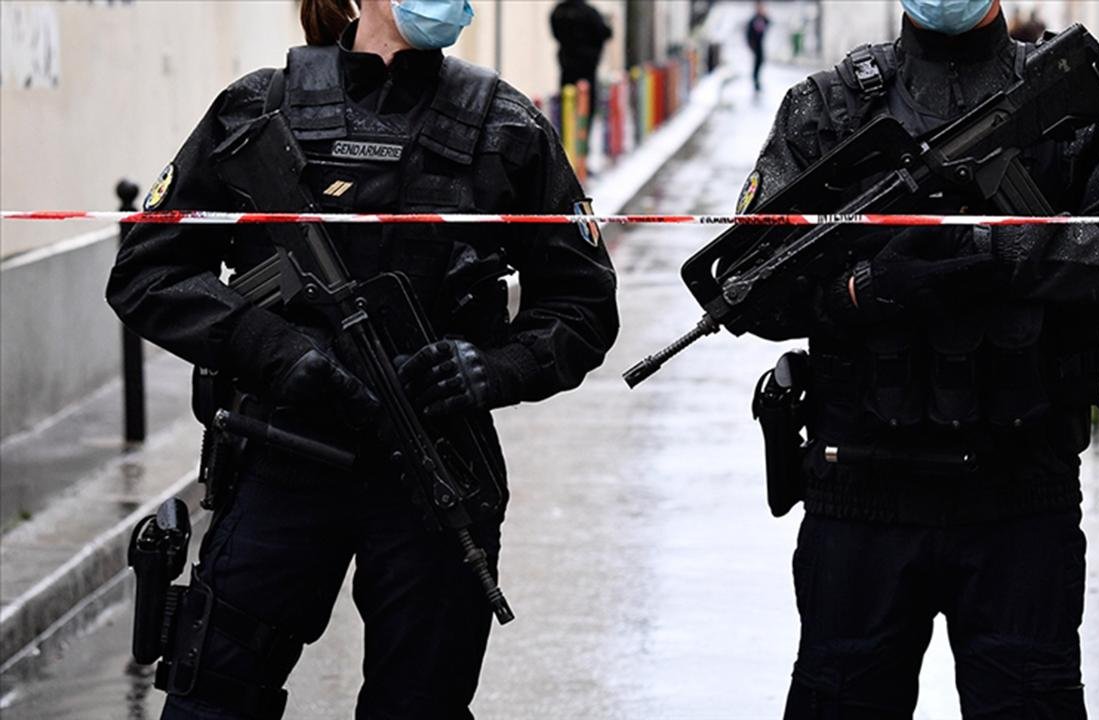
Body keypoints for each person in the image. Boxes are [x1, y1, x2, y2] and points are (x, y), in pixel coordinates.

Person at [106, 0, 619, 717]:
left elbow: (583, 304)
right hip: (281, 459)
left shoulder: (506, 127)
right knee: (213, 697)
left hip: (434, 473)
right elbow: (149, 270)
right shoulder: (260, 106)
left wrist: (494, 368)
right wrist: (274, 350)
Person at [737, 0, 1099, 716]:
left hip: (1020, 497)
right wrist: (863, 290)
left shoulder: (1074, 97)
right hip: (859, 496)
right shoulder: (826, 110)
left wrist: (999, 246)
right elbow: (748, 289)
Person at [550, 0, 613, 158]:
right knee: (586, 111)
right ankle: (582, 154)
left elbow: (555, 32)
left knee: (566, 110)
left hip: (567, 67)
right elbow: (606, 32)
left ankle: (566, 150)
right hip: (587, 68)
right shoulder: (589, 12)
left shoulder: (559, 12)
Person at [746, 2, 771, 92]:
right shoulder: (753, 20)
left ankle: (757, 80)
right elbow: (748, 33)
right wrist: (750, 43)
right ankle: (755, 81)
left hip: (760, 44)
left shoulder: (762, 19)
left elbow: (769, 23)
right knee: (757, 63)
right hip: (755, 44)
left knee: (761, 62)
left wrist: (765, 15)